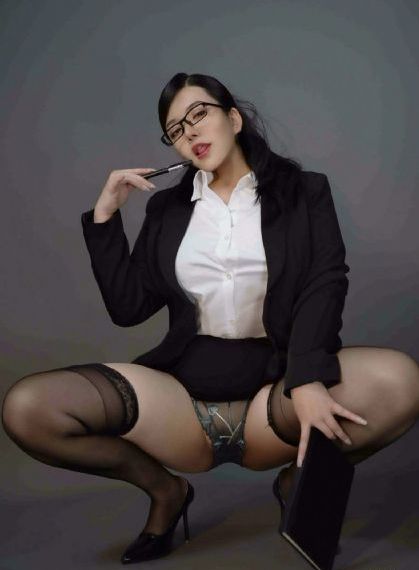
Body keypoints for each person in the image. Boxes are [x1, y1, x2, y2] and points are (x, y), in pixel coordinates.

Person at [2, 72, 419, 565]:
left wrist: (307, 379)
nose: (190, 132)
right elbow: (129, 307)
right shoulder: (167, 209)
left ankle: (298, 480)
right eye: (175, 129)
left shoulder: (303, 191)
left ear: (234, 119)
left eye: (199, 114)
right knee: (28, 409)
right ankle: (166, 492)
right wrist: (105, 217)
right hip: (180, 405)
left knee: (400, 381)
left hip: (274, 399)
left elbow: (324, 282)